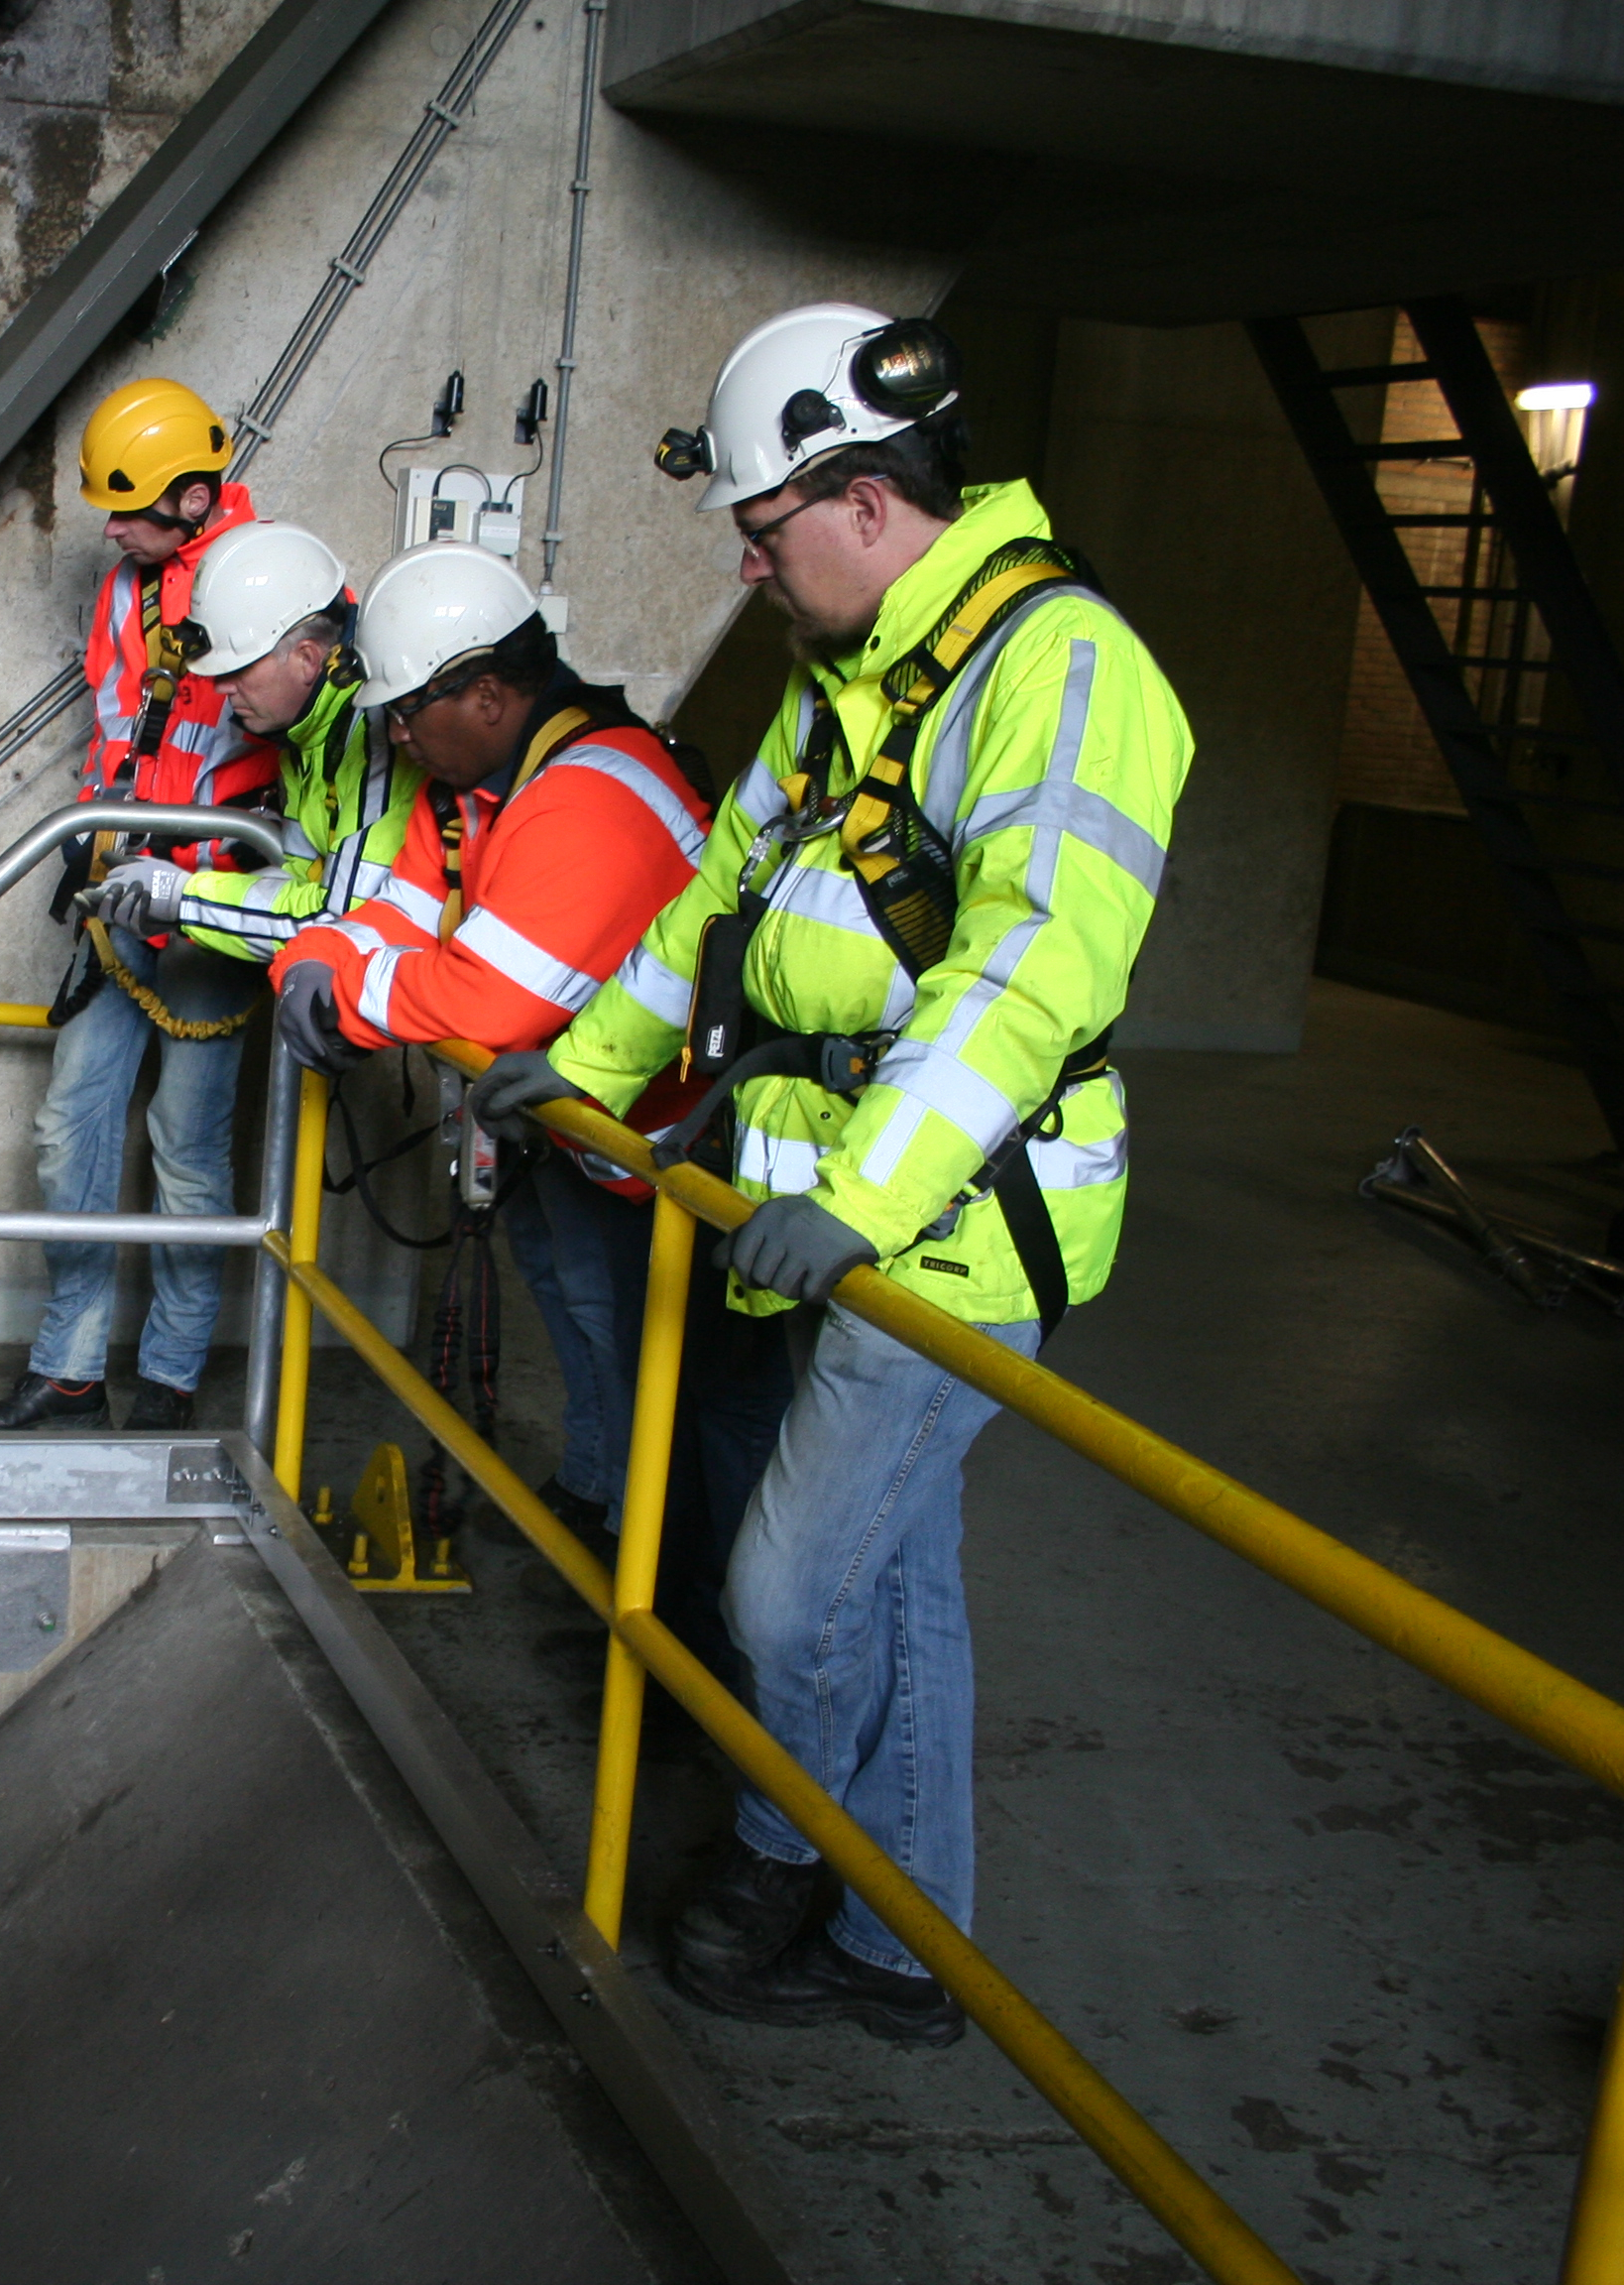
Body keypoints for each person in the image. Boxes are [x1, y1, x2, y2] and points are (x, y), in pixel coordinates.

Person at [481, 303, 1194, 2047]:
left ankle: (790, 1849)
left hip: (951, 1229)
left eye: (761, 526)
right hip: (853, 1214)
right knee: (894, 1581)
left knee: (788, 1588)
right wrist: (572, 1079)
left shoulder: (1067, 670)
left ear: (865, 500)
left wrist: (864, 1193)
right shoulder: (851, 682)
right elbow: (705, 914)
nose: (750, 562)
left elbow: (1028, 968)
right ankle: (905, 1947)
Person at [268, 542, 710, 1541]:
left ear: (491, 697)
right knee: (570, 1301)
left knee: (621, 1330)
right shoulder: (477, 793)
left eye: (407, 710)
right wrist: (307, 962)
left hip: (656, 1143)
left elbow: (487, 1002)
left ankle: (649, 1540)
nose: (395, 734)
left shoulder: (595, 792)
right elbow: (394, 912)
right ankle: (600, 1492)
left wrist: (340, 995)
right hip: (564, 1115)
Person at [0, 378, 281, 1434]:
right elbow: (116, 729)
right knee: (73, 1128)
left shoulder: (274, 589)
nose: (110, 526)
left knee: (188, 1146)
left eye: (132, 507)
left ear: (195, 499)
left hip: (216, 901)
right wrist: (102, 845)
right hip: (121, 888)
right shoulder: (123, 593)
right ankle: (70, 1365)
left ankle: (175, 1373)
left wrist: (216, 879)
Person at [77, 517, 415, 965]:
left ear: (307, 659)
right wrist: (178, 904)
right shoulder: (308, 731)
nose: (221, 689)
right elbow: (297, 883)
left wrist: (182, 899)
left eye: (237, 670)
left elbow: (343, 923)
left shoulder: (370, 735)